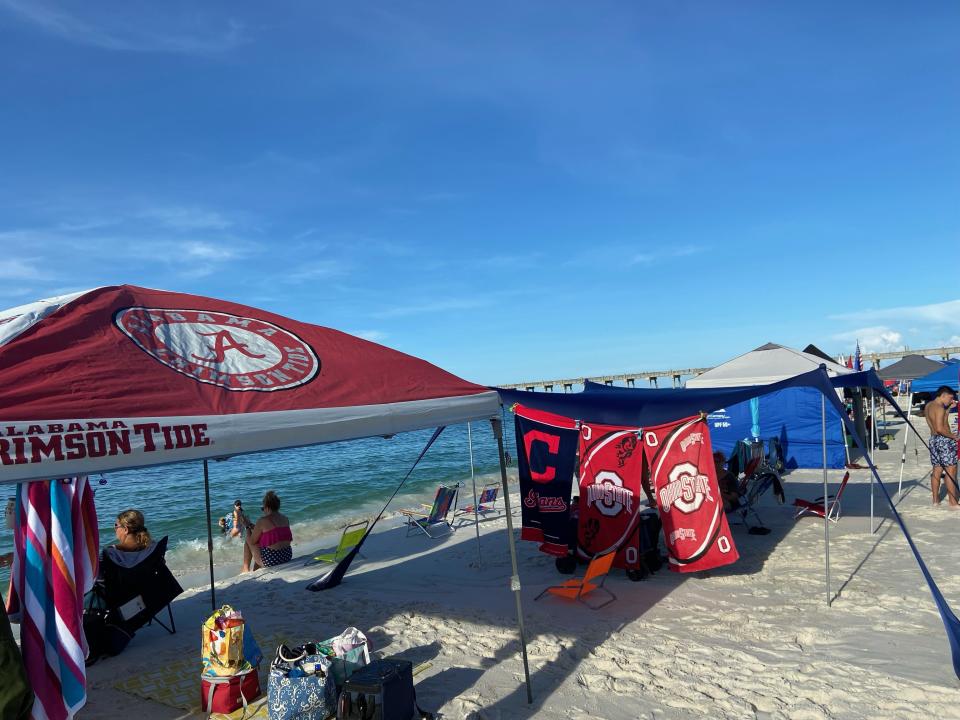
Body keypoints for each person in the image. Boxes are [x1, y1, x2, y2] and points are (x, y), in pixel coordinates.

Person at [924, 386, 959, 507]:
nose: (951, 400)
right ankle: (953, 502)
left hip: (934, 440)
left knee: (937, 469)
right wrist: (953, 436)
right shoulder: (939, 408)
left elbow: (938, 423)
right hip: (944, 440)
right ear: (943, 395)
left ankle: (935, 500)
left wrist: (948, 409)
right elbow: (940, 428)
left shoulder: (929, 406)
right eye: (950, 398)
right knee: (951, 470)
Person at [242, 491, 293, 572]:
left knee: (248, 540)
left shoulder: (262, 520)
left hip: (272, 561)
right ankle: (255, 569)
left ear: (267, 507)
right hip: (287, 556)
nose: (263, 511)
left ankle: (245, 569)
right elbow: (274, 533)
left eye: (263, 508)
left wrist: (247, 526)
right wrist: (252, 525)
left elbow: (251, 541)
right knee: (261, 543)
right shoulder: (285, 518)